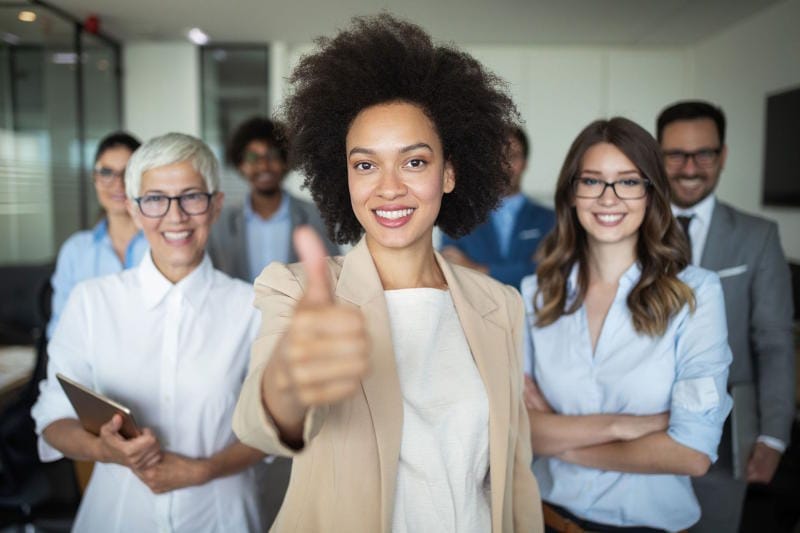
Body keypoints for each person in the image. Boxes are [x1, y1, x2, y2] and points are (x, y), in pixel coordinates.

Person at [232, 14, 542, 533]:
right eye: (366, 165)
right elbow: (258, 425)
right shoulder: (299, 289)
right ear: (343, 176)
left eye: (415, 162)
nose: (389, 187)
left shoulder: (501, 304)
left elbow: (514, 476)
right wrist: (290, 374)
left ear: (448, 173)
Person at [32, 133, 266, 532]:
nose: (175, 217)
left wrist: (204, 470)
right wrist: (101, 449)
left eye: (192, 196)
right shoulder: (91, 302)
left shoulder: (254, 309)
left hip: (218, 517)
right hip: (118, 516)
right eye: (156, 199)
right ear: (136, 210)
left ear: (216, 205)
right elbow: (53, 417)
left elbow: (274, 429)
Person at [522, 117, 733, 532]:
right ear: (572, 193)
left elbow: (691, 453)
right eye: (592, 181)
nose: (608, 198)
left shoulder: (697, 294)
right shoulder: (536, 294)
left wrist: (563, 443)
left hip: (648, 525)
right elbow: (516, 430)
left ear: (652, 193)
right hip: (545, 518)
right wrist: (625, 427)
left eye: (629, 182)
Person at [656, 100, 795, 533]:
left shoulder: (758, 236)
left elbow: (774, 341)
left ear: (723, 156)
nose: (690, 167)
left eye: (704, 154)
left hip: (727, 428)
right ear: (657, 156)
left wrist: (773, 435)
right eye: (676, 154)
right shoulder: (626, 224)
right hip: (637, 419)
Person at [207, 117, 338, 281]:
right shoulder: (219, 222)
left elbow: (334, 276)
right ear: (240, 165)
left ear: (285, 161)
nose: (264, 166)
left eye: (273, 155)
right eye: (253, 158)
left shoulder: (316, 217)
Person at [47, 132, 148, 338]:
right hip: (89, 367)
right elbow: (61, 330)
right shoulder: (76, 251)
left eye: (128, 172)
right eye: (106, 172)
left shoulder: (164, 243)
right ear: (95, 179)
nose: (118, 183)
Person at [441, 126, 555, 289]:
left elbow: (547, 273)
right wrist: (524, 269)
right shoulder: (458, 218)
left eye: (512, 156)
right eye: (496, 157)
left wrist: (476, 269)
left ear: (525, 163)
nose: (504, 166)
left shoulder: (551, 220)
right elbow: (452, 275)